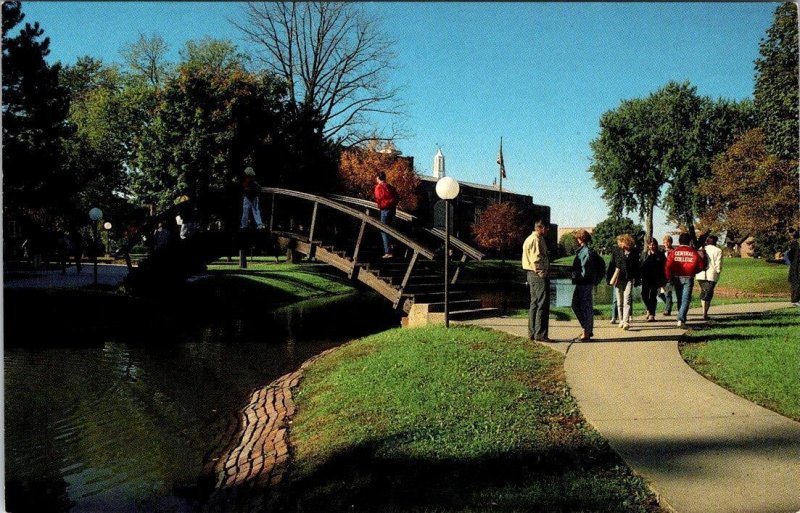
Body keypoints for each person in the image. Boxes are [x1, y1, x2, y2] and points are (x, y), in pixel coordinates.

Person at [665, 232, 706, 329]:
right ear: (689, 241)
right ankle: (681, 318)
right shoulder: (693, 252)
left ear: (679, 241)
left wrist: (668, 276)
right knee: (686, 299)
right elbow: (701, 266)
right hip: (688, 277)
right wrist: (694, 271)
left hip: (676, 277)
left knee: (680, 298)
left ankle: (681, 318)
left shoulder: (674, 252)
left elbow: (668, 265)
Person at [522, 220, 551, 342]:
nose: (547, 230)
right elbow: (536, 259)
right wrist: (542, 274)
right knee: (542, 304)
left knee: (534, 304)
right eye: (546, 228)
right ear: (541, 228)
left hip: (531, 274)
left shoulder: (532, 238)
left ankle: (532, 333)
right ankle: (540, 334)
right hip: (537, 274)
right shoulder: (536, 240)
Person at [609, 233, 640, 330]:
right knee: (619, 301)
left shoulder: (634, 252)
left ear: (626, 242)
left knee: (627, 300)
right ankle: (621, 320)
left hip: (629, 278)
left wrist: (637, 279)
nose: (619, 244)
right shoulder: (616, 251)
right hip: (618, 278)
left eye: (620, 242)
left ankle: (626, 322)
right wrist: (609, 278)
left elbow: (636, 266)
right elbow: (611, 265)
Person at [570, 229, 596, 341]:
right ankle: (587, 329)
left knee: (581, 306)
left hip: (584, 283)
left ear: (580, 238)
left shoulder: (585, 252)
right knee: (583, 306)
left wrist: (575, 275)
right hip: (585, 283)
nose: (576, 240)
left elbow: (584, 271)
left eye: (577, 238)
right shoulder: (584, 251)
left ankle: (586, 331)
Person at [696, 234, 723, 320]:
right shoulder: (718, 250)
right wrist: (718, 273)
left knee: (704, 292)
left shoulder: (701, 249)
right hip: (711, 275)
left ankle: (704, 312)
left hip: (700, 274)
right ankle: (705, 313)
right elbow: (718, 264)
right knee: (708, 294)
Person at [640, 237, 666, 321]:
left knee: (653, 296)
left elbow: (664, 267)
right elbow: (640, 266)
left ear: (656, 245)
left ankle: (652, 314)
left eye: (653, 244)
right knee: (644, 295)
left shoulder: (660, 255)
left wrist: (664, 280)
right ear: (648, 245)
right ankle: (649, 308)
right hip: (646, 278)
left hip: (656, 279)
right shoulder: (644, 254)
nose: (652, 246)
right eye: (650, 244)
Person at [373, 171, 399, 258]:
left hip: (385, 210)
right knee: (391, 229)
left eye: (376, 178)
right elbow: (397, 197)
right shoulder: (390, 187)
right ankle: (393, 247)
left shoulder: (378, 187)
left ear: (378, 178)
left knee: (384, 230)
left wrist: (380, 205)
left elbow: (378, 198)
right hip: (392, 209)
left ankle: (388, 252)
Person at [658, 235, 676, 315]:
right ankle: (669, 303)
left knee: (668, 292)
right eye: (664, 242)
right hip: (661, 275)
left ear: (671, 242)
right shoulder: (661, 252)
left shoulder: (674, 252)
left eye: (668, 242)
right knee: (659, 293)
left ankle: (667, 310)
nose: (666, 244)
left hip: (670, 276)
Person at [787, 229, 800, 306]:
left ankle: (796, 299)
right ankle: (795, 300)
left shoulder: (794, 244)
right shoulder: (795, 245)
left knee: (796, 283)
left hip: (795, 265)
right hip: (795, 266)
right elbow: (792, 255)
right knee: (796, 283)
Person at [606, 256, 619, 324]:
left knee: (626, 300)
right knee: (615, 299)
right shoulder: (615, 255)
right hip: (616, 279)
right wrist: (609, 280)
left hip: (625, 278)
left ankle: (624, 317)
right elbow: (610, 268)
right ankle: (614, 317)